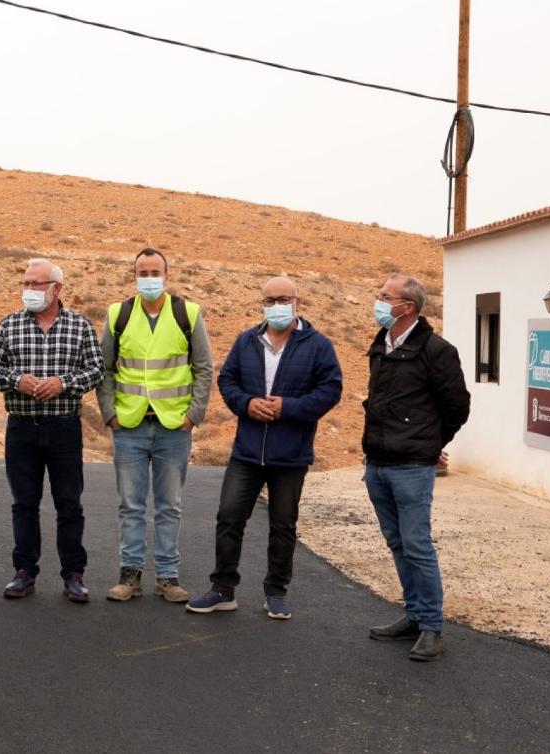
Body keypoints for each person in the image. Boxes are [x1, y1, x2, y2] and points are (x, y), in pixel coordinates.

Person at [186, 276, 342, 620]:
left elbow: (330, 390)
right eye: (269, 300)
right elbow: (227, 380)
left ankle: (276, 592)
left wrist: (288, 407)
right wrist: (246, 403)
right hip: (247, 452)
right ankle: (223, 589)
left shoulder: (318, 345)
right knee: (228, 517)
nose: (276, 306)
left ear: (298, 302)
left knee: (283, 525)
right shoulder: (247, 341)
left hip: (291, 454)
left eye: (282, 299)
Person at [0, 258, 104, 602]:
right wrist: (16, 380)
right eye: (26, 284)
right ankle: (24, 573)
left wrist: (63, 383)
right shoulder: (10, 325)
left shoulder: (79, 327)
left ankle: (74, 575)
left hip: (64, 428)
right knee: (24, 503)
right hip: (22, 427)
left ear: (57, 288)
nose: (30, 290)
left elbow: (97, 370)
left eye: (37, 284)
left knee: (69, 504)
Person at [362, 274, 470, 661]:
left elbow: (457, 406)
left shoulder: (437, 350)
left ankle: (431, 626)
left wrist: (431, 444)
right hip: (377, 464)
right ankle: (413, 613)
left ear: (407, 307)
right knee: (397, 543)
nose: (377, 302)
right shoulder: (381, 346)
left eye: (384, 296)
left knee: (417, 545)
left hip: (411, 467)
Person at [96, 248, 212, 604]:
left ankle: (168, 576)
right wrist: (109, 414)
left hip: (173, 427)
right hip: (129, 425)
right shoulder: (118, 313)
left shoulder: (187, 313)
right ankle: (129, 576)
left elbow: (204, 367)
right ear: (134, 277)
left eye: (155, 271)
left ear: (167, 274)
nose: (149, 278)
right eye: (142, 272)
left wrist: (194, 414)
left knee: (169, 505)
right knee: (130, 504)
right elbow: (105, 368)